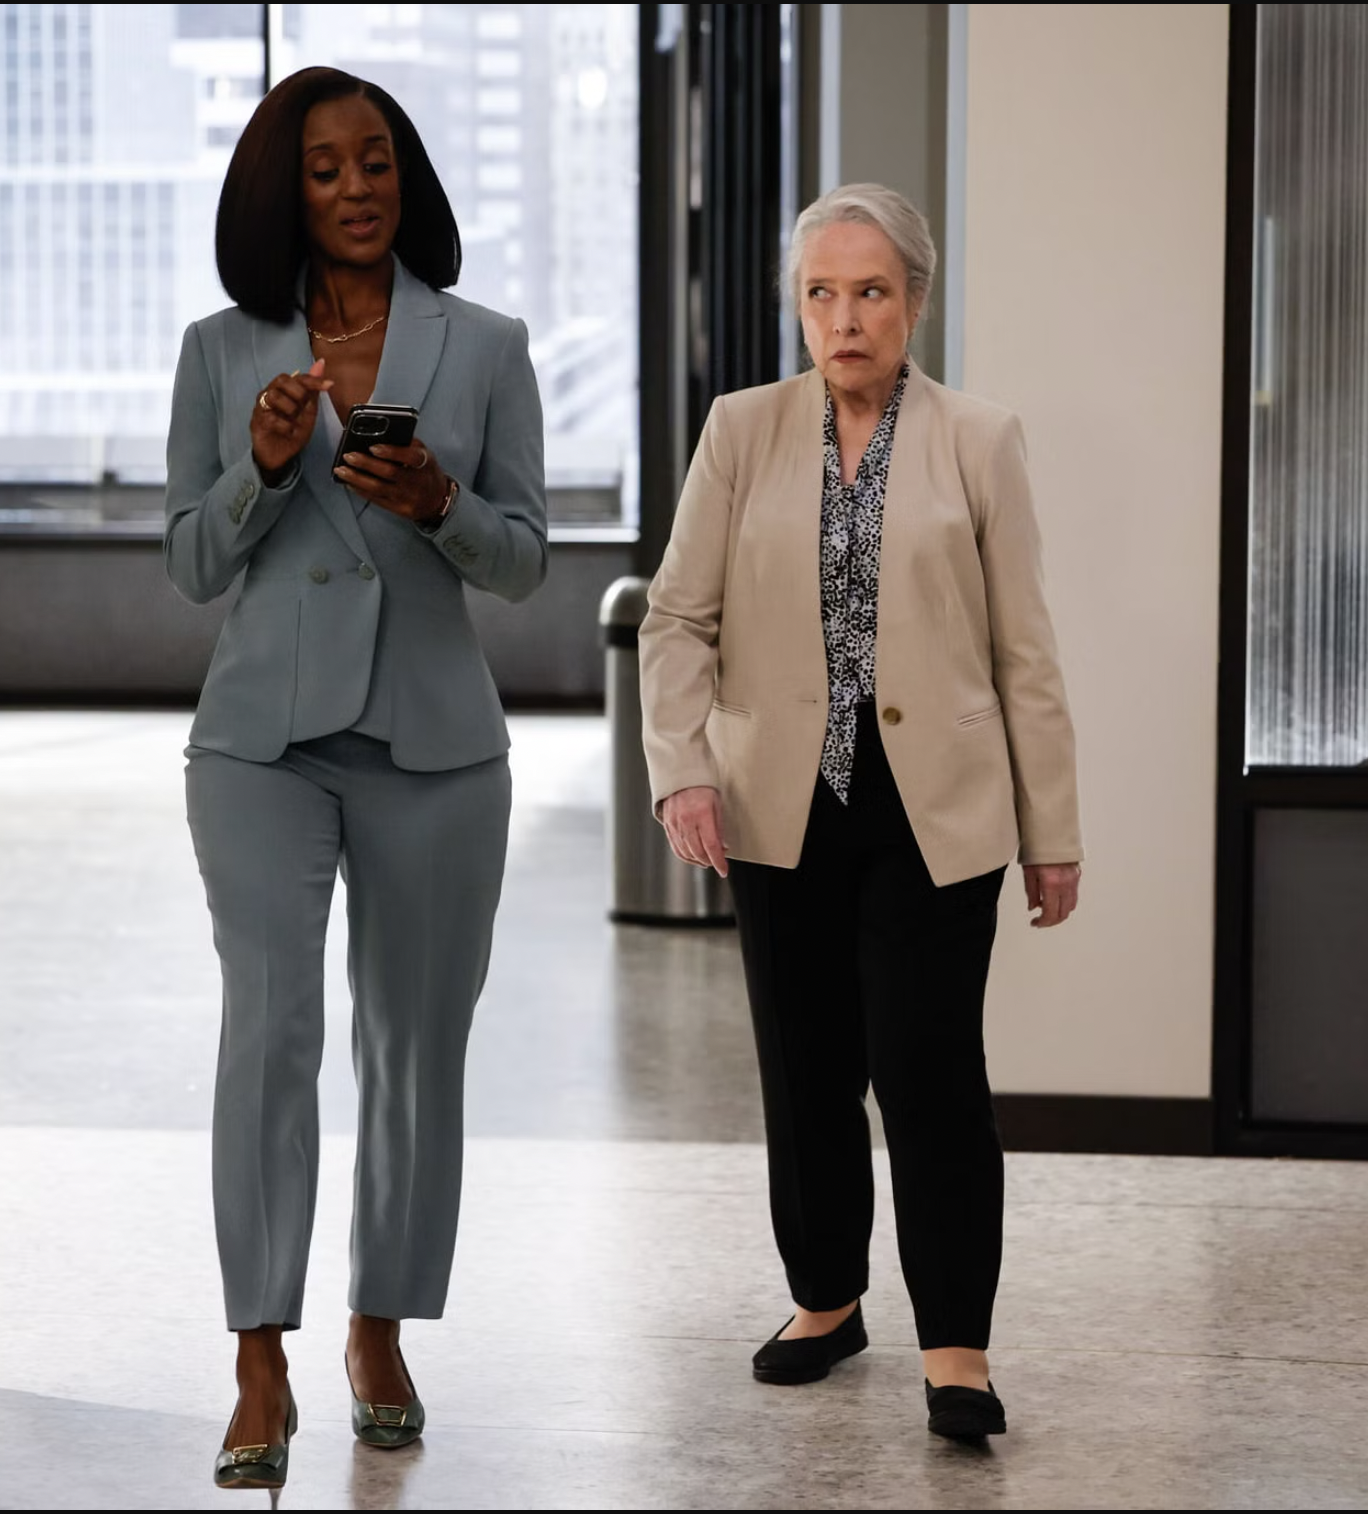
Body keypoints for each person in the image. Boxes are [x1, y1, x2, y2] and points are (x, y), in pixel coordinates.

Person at [639, 183, 1082, 1441]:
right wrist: (682, 764)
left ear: (915, 303)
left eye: (871, 291)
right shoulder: (740, 430)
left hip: (934, 811)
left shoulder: (978, 439)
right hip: (779, 803)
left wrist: (1052, 831)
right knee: (807, 1070)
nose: (844, 318)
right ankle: (827, 1298)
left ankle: (958, 1346)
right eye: (821, 293)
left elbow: (1025, 650)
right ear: (799, 306)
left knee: (930, 1074)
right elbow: (677, 617)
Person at [164, 65, 547, 1490]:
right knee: (268, 1036)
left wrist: (442, 503)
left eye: (374, 159)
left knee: (413, 1048)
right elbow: (190, 561)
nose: (355, 187)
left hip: (436, 748)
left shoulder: (486, 343)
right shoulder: (220, 352)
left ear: (406, 174)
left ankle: (376, 1329)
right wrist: (264, 466)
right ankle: (257, 1352)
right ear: (285, 190)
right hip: (260, 745)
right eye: (324, 167)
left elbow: (527, 560)